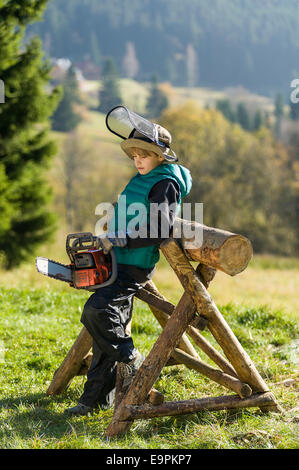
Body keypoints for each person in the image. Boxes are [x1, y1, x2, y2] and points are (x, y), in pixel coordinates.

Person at [66, 108, 192, 416]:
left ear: (160, 155)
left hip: (134, 264)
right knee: (102, 329)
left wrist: (119, 237)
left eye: (144, 155)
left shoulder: (165, 183)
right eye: (134, 155)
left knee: (97, 311)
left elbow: (160, 228)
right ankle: (95, 400)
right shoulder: (144, 177)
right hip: (118, 258)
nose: (138, 160)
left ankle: (130, 356)